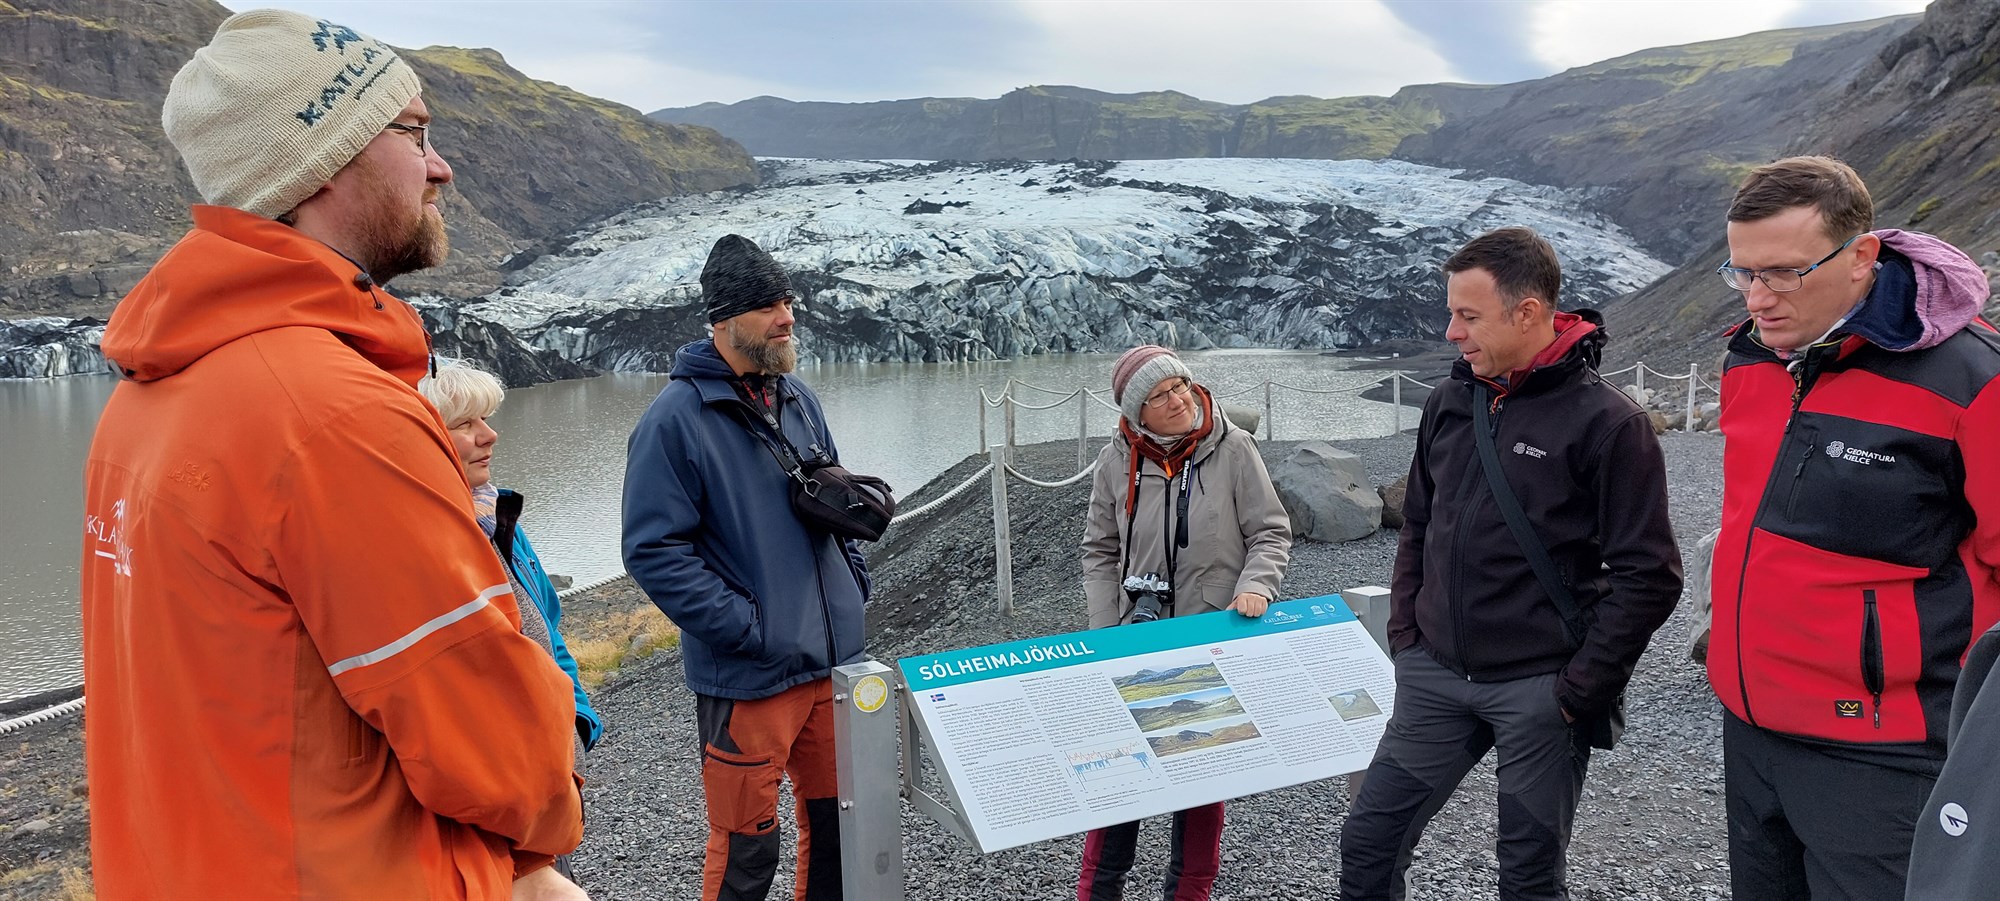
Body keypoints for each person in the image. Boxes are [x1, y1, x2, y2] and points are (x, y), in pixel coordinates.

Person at [80, 9, 586, 900]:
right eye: (415, 132)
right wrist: (544, 841)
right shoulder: (333, 417)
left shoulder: (144, 397)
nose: (442, 165)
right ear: (322, 161)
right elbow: (500, 746)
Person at [1338, 226, 1682, 901]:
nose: (1450, 332)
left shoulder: (1608, 423)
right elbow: (1420, 526)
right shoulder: (1448, 403)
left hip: (1540, 691)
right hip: (1435, 676)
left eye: (1468, 315)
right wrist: (1408, 638)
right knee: (1369, 841)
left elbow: (1651, 574)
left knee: (1527, 877)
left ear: (1527, 312)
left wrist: (1578, 688)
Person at [1702, 156, 2000, 901]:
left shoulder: (1972, 379)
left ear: (1862, 254)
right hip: (1750, 726)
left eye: (1781, 273)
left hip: (1887, 754)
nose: (1756, 297)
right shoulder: (1751, 357)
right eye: (1741, 272)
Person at [622, 234, 870, 901]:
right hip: (750, 676)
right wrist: (749, 627)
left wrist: (853, 583)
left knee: (839, 835)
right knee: (746, 853)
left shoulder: (798, 399)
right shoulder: (674, 420)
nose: (786, 314)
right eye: (767, 304)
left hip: (830, 667)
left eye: (786, 299)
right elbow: (652, 549)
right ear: (725, 320)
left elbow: (835, 504)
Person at [1077, 344, 1293, 901]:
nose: (1176, 401)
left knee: (1202, 775)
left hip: (1211, 634)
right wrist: (1106, 629)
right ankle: (1097, 892)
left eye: (1179, 387)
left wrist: (1254, 587)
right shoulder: (1113, 462)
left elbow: (1270, 532)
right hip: (1133, 639)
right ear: (1134, 414)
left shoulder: (1235, 449)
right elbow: (1099, 551)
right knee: (1120, 775)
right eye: (1157, 396)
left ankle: (1189, 894)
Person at [418, 363, 608, 835]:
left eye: (486, 418)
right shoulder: (418, 539)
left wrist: (577, 725)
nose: (490, 435)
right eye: (464, 423)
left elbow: (550, 630)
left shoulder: (498, 516)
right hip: (484, 791)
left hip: (549, 766)